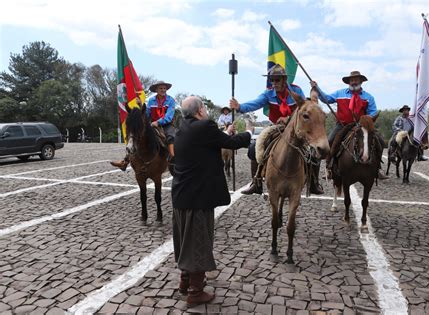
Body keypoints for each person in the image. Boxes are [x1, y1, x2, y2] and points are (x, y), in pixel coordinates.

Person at [172, 96, 252, 306]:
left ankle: (184, 281)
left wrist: (225, 133)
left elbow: (208, 142)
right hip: (198, 198)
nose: (207, 112)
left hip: (181, 197)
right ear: (199, 111)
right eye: (205, 109)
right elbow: (233, 143)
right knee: (198, 242)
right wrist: (250, 132)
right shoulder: (205, 126)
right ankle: (196, 292)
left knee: (184, 242)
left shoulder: (183, 130)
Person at [229, 64, 325, 195]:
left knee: (313, 151)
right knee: (253, 148)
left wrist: (289, 118)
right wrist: (239, 106)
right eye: (272, 80)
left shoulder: (296, 90)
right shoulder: (268, 93)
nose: (274, 83)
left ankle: (313, 182)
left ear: (284, 80)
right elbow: (255, 103)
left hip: (296, 128)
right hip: (276, 126)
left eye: (277, 80)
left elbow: (306, 107)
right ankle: (256, 182)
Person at [312, 70, 389, 180]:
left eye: (356, 80)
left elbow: (373, 112)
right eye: (352, 80)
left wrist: (366, 119)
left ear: (361, 81)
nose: (354, 82)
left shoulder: (369, 97)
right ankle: (329, 168)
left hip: (361, 126)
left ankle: (377, 167)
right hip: (342, 125)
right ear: (348, 82)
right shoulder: (340, 93)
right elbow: (327, 99)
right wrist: (317, 88)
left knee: (379, 140)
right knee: (330, 141)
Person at [110, 80, 176, 171]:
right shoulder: (151, 100)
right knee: (137, 136)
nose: (163, 90)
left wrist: (158, 122)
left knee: (170, 136)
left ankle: (173, 157)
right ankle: (125, 161)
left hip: (166, 124)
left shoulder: (171, 100)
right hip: (152, 124)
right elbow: (146, 114)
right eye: (161, 88)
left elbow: (169, 115)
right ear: (156, 90)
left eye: (164, 88)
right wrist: (140, 105)